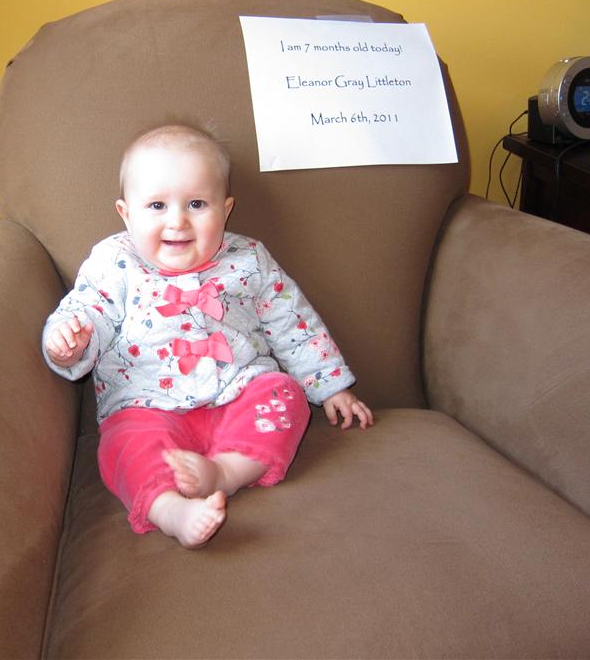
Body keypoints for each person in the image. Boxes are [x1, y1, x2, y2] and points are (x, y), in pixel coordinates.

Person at [42, 123, 373, 548]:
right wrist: (68, 342)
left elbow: (291, 321)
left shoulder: (249, 259)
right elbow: (88, 312)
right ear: (126, 213)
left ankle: (227, 472)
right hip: (145, 406)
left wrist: (330, 386)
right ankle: (169, 509)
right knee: (121, 446)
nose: (177, 221)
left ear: (226, 208)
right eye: (157, 205)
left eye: (197, 204)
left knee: (284, 395)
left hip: (238, 389)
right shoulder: (114, 263)